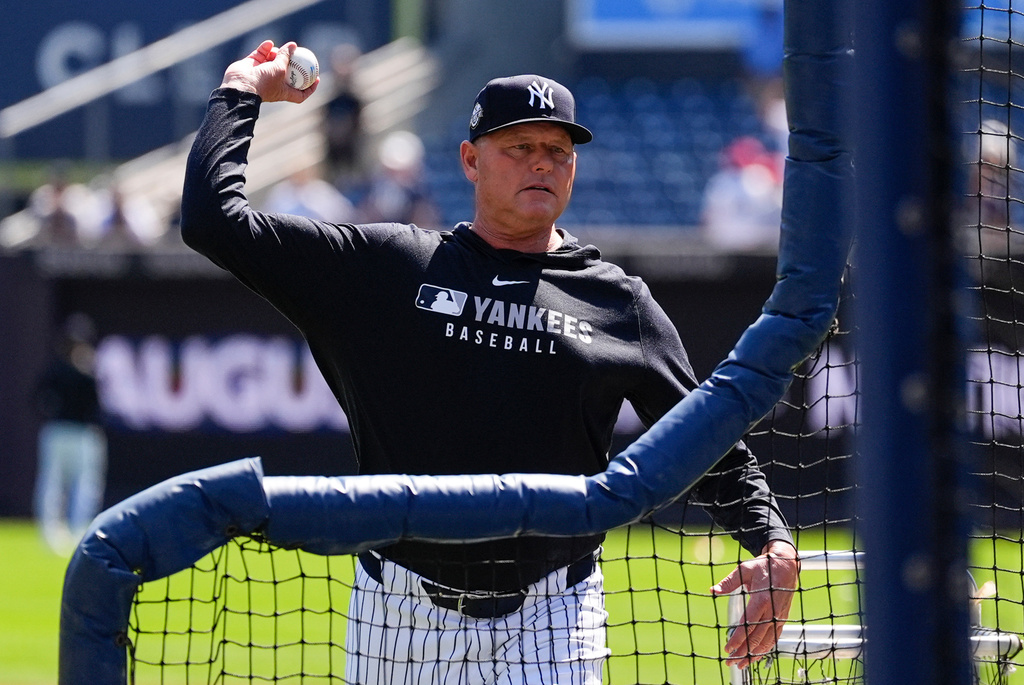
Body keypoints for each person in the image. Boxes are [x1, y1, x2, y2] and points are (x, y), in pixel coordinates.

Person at [180, 41, 799, 682]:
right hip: (399, 611)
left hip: (553, 611)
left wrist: (772, 539)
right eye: (519, 148)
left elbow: (702, 437)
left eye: (557, 151)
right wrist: (241, 89)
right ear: (471, 162)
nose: (542, 164)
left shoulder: (617, 301)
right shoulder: (388, 267)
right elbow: (212, 221)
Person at [33, 313, 107, 554]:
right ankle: (55, 533)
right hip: (67, 432)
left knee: (80, 485)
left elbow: (39, 399)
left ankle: (75, 532)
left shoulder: (81, 369)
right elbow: (38, 398)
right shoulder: (64, 369)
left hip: (76, 432)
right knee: (56, 482)